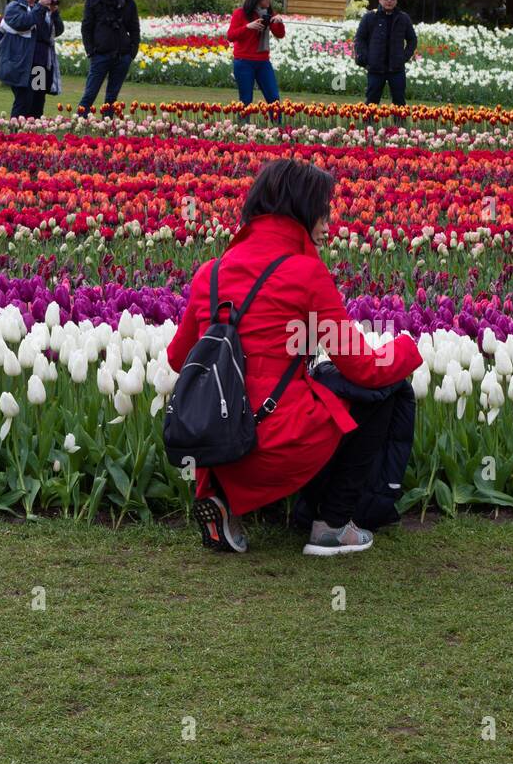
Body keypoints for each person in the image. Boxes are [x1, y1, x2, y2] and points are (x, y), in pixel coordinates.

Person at [165, 159, 423, 556]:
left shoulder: (210, 273)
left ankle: (224, 502)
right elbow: (362, 367)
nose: (328, 222)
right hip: (275, 445)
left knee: (317, 383)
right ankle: (332, 525)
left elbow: (178, 359)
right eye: (323, 209)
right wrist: (406, 348)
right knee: (381, 391)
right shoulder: (304, 273)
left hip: (214, 446)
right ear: (301, 210)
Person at [0, 0, 64, 119]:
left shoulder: (41, 9)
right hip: (21, 65)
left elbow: (56, 31)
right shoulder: (14, 7)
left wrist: (54, 13)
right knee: (24, 102)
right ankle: (15, 137)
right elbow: (24, 23)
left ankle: (33, 138)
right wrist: (41, 7)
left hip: (40, 65)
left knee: (37, 103)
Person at [78, 0, 140, 114]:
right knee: (90, 93)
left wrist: (132, 52)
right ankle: (79, 121)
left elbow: (134, 28)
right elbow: (86, 28)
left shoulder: (128, 1)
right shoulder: (94, 0)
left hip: (122, 54)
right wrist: (91, 51)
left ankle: (107, 125)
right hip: (100, 54)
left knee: (112, 96)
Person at [354, 0, 417, 106]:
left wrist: (403, 57)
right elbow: (359, 38)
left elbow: (412, 40)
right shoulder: (369, 18)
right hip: (375, 68)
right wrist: (366, 58)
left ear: (396, 0)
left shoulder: (403, 18)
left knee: (399, 103)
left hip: (396, 69)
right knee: (371, 102)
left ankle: (400, 126)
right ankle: (368, 125)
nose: (389, 1)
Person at [227, 0, 285, 105]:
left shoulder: (269, 15)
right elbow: (231, 36)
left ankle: (278, 125)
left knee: (274, 98)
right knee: (246, 100)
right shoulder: (240, 13)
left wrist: (279, 23)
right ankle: (243, 125)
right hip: (243, 62)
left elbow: (280, 34)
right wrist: (248, 27)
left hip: (263, 62)